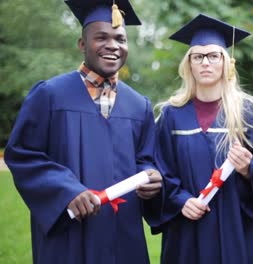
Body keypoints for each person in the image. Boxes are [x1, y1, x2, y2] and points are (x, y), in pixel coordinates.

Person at [4, 1, 163, 263]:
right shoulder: (50, 95)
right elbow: (23, 155)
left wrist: (154, 180)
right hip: (70, 235)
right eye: (102, 37)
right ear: (82, 44)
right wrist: (65, 191)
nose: (113, 45)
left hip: (123, 234)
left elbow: (147, 160)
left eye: (120, 39)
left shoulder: (139, 106)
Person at [150, 14, 253, 264]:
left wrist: (247, 168)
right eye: (197, 56)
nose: (205, 63)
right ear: (189, 64)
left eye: (213, 56)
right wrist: (180, 201)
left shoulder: (248, 110)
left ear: (226, 62)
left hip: (235, 226)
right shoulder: (171, 114)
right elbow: (160, 169)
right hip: (186, 227)